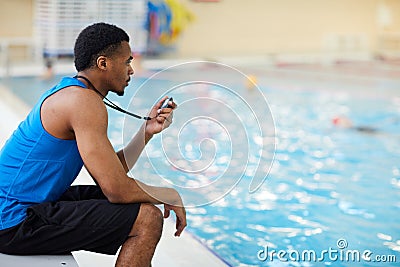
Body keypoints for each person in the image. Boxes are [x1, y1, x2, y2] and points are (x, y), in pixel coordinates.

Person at [0, 22, 186, 266]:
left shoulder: (75, 93)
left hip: (26, 206)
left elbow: (112, 176)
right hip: (14, 221)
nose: (131, 70)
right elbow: (116, 190)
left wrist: (146, 132)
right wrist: (169, 193)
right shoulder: (83, 103)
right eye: (127, 61)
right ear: (103, 63)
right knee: (147, 219)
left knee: (139, 203)